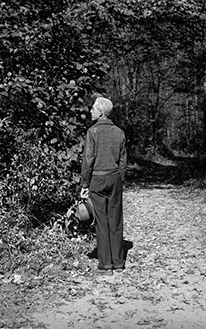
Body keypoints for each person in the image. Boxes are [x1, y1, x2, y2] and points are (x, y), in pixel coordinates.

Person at [80, 97, 127, 276]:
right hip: (114, 178)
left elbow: (88, 160)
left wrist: (85, 183)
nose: (90, 111)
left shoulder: (92, 132)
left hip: (97, 180)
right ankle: (119, 263)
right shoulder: (120, 132)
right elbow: (123, 162)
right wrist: (119, 179)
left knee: (101, 221)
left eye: (93, 108)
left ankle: (105, 265)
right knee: (115, 220)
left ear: (100, 112)